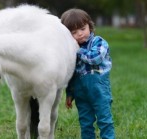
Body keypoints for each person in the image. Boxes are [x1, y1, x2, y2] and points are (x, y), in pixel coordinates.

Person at [61, 8, 115, 139]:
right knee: (85, 122)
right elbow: (71, 74)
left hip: (99, 88)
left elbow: (95, 58)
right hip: (80, 92)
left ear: (89, 26)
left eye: (82, 29)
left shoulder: (98, 42)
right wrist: (70, 93)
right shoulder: (71, 51)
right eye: (74, 32)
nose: (79, 34)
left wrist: (78, 51)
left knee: (104, 119)